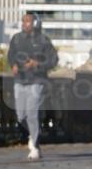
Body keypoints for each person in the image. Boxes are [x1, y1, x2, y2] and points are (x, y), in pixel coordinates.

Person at [8, 12, 58, 160]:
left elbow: (54, 60)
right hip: (20, 81)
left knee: (32, 113)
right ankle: (33, 133)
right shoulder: (16, 39)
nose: (25, 23)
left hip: (37, 81)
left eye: (28, 21)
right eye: (23, 21)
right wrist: (14, 65)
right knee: (20, 116)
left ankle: (35, 147)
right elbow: (11, 55)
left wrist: (37, 64)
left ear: (35, 23)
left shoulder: (44, 40)